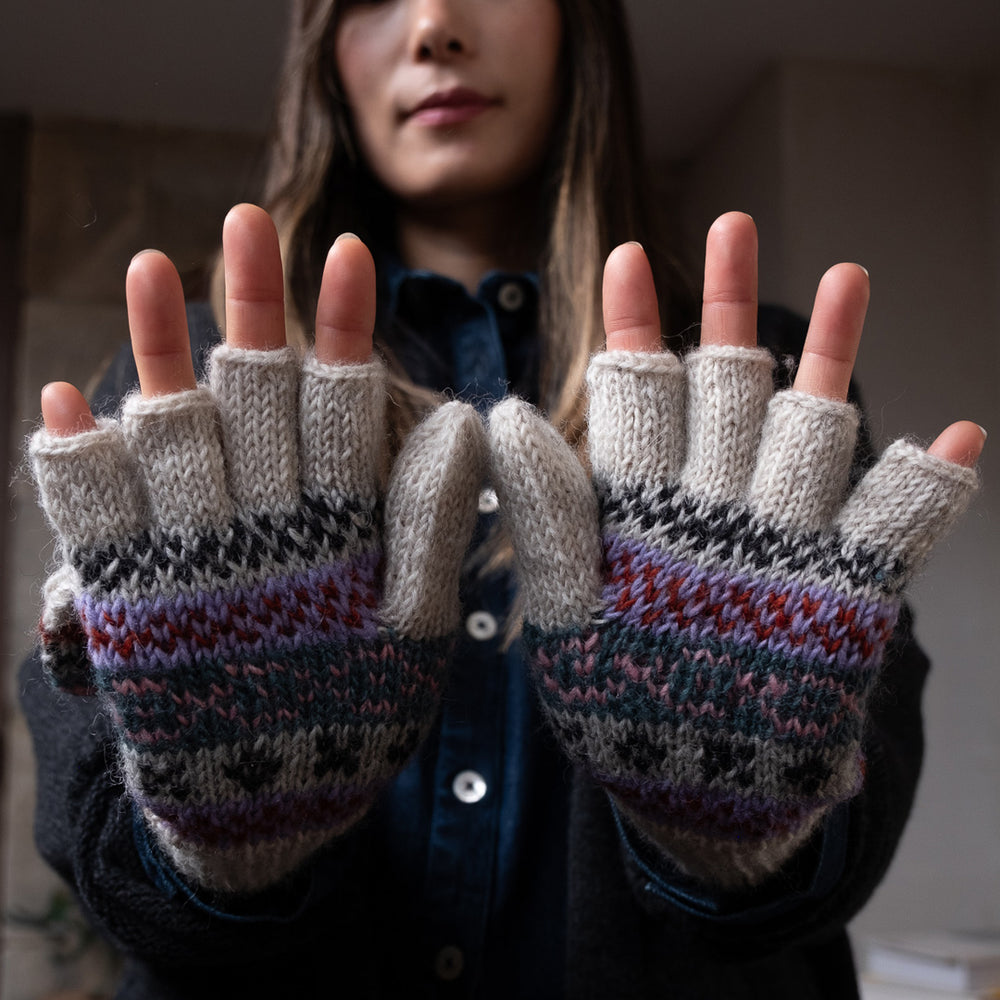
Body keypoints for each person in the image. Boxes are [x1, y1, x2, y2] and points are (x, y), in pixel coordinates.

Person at [20, 1, 985, 997]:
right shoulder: (185, 391)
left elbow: (865, 780)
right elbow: (84, 807)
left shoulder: (753, 393)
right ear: (325, 61)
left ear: (580, 29)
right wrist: (221, 843)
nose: (435, 24)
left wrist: (735, 837)